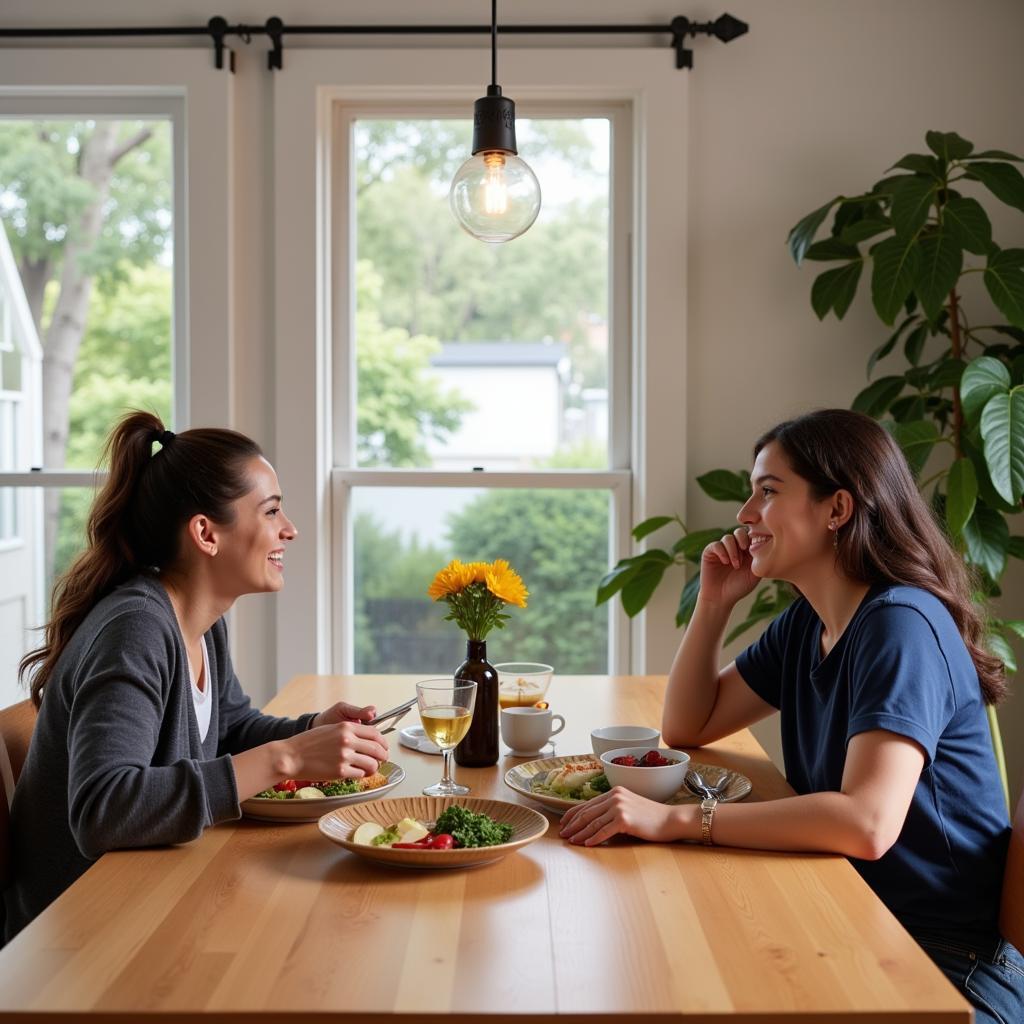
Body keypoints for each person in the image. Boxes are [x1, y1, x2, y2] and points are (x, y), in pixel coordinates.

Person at [560, 408, 1023, 1023]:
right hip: (854, 926)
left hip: (945, 969)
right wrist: (714, 605)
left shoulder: (899, 624)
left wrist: (679, 819)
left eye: (767, 493)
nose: (745, 515)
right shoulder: (810, 622)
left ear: (837, 509)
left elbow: (866, 823)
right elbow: (688, 726)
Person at [2, 411, 389, 943]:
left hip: (145, 901)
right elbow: (102, 810)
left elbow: (226, 730)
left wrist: (310, 729)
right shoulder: (136, 629)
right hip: (78, 940)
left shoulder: (201, 623)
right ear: (206, 533)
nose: (290, 529)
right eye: (272, 510)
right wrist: (289, 758)